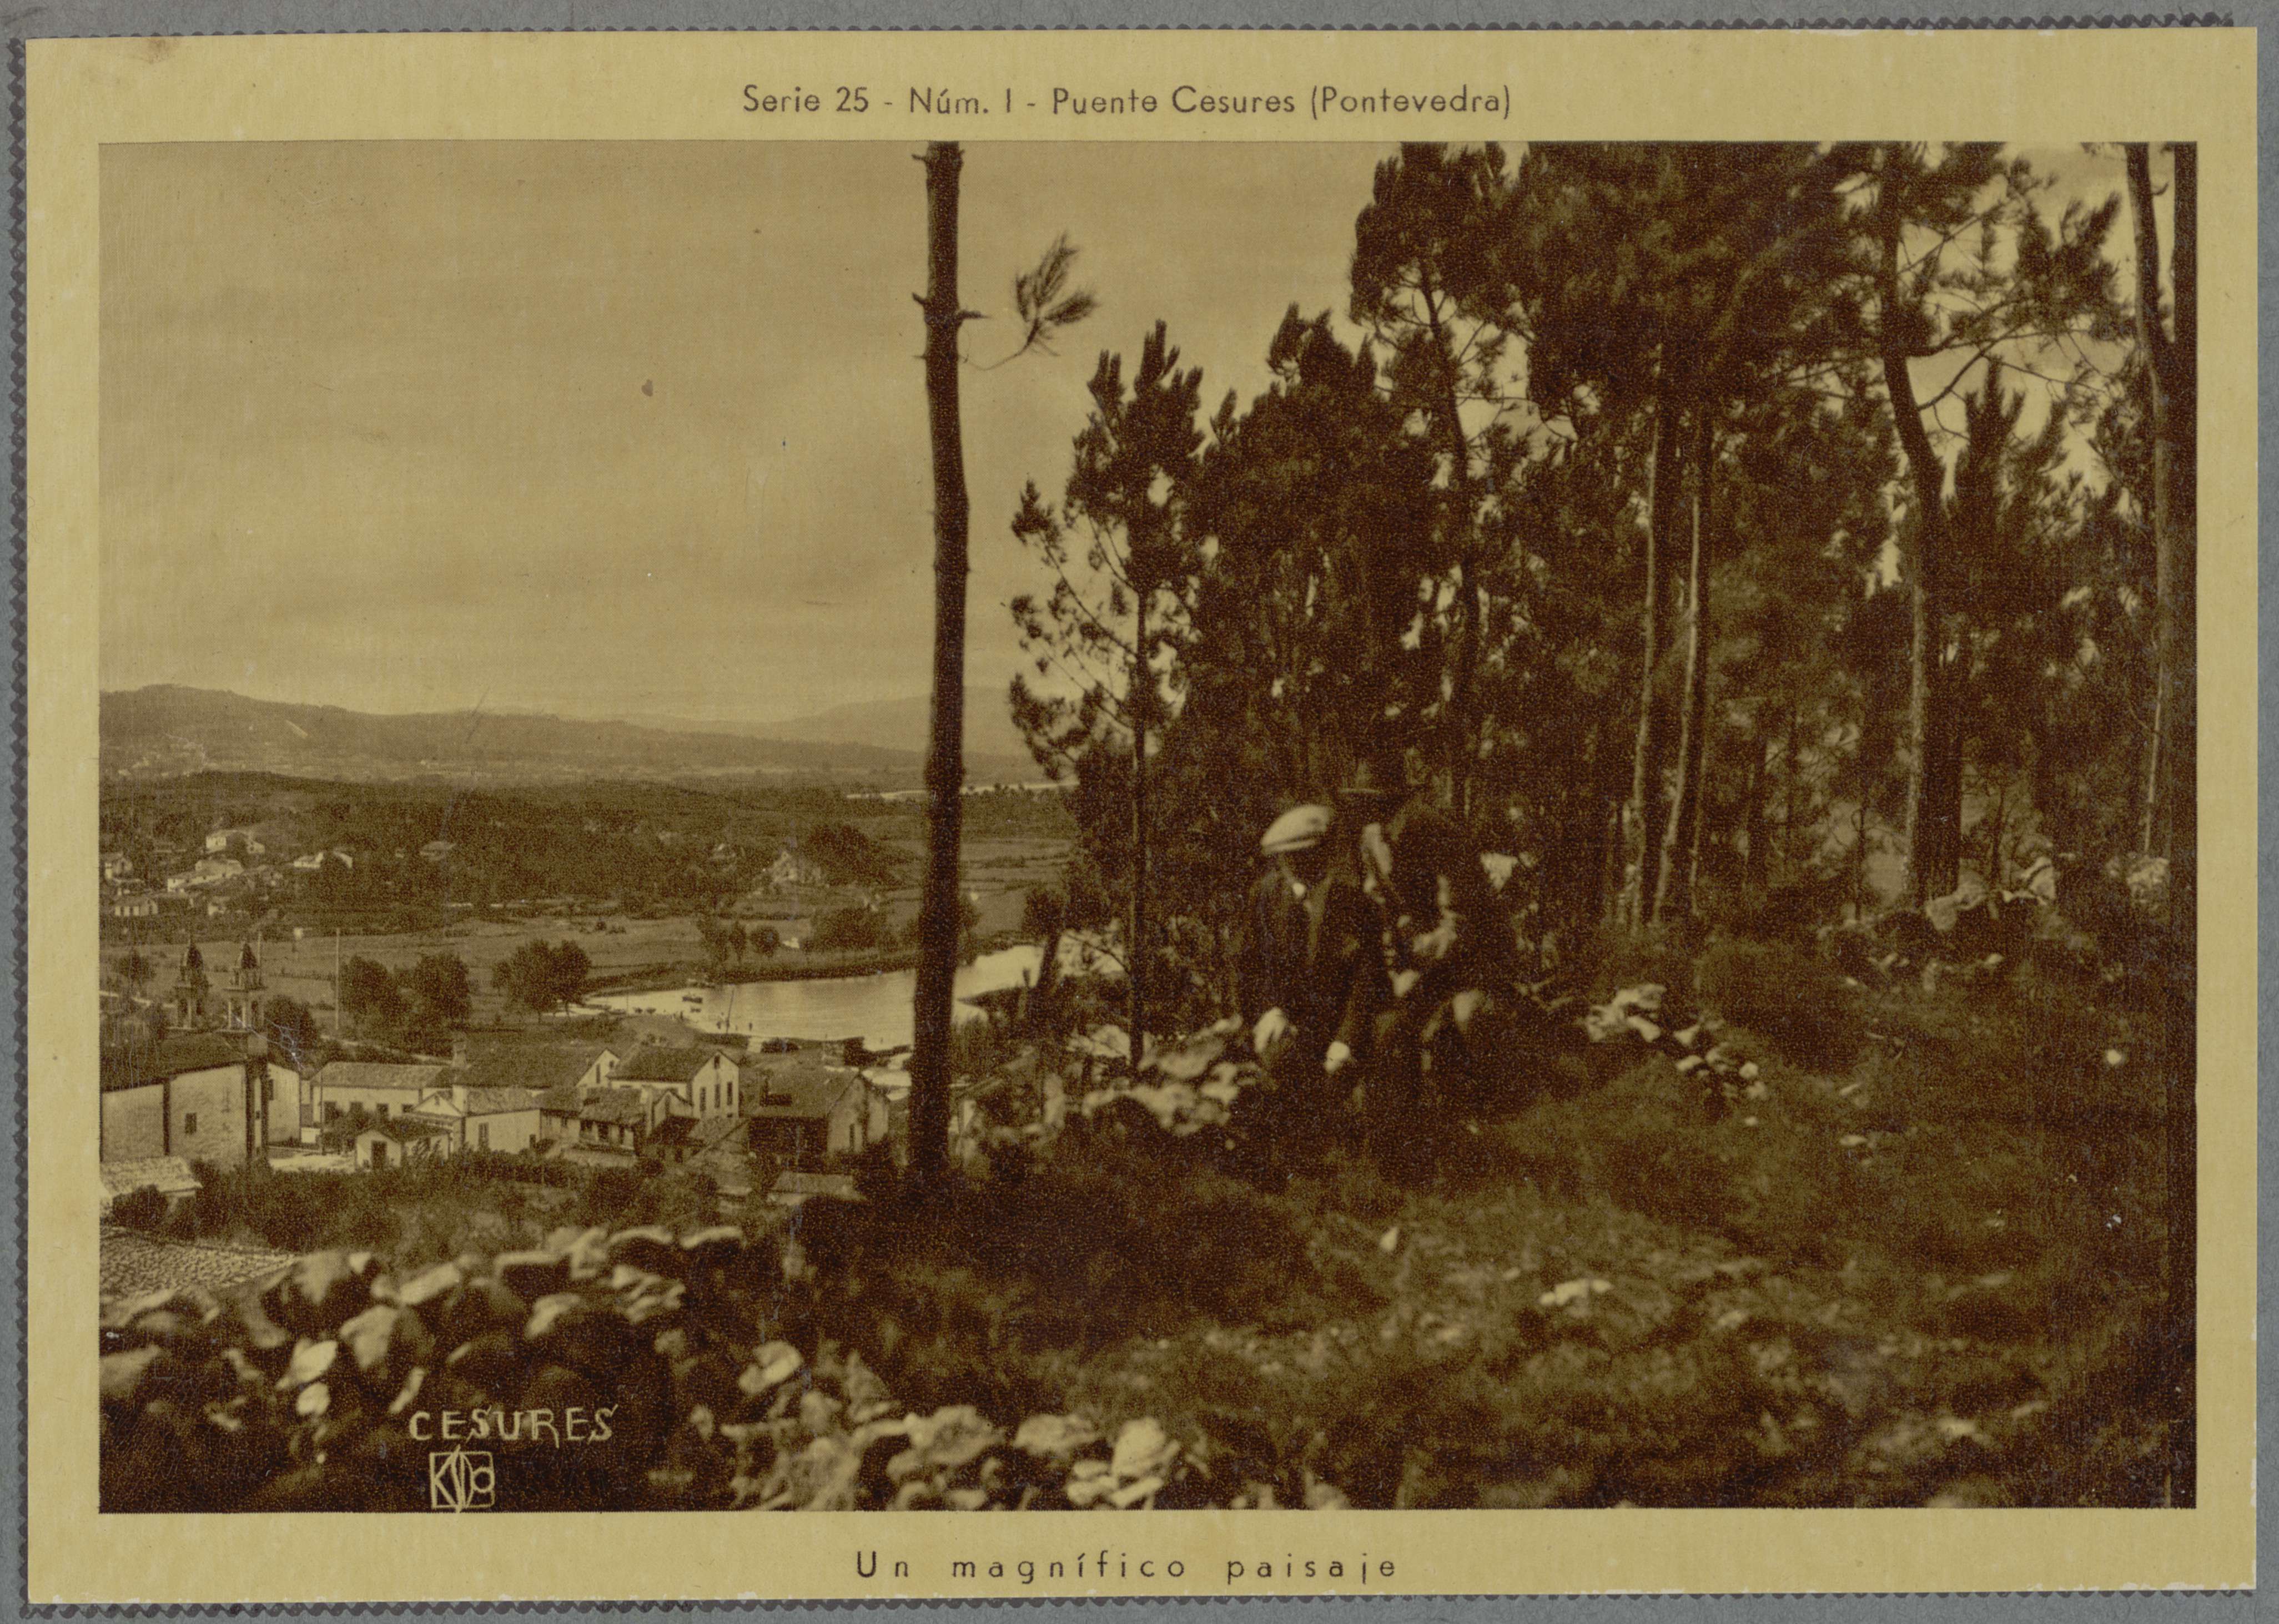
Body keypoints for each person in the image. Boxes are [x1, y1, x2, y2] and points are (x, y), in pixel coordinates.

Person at [1339, 754, 1517, 1179]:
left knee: (1468, 1016)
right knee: (1379, 1023)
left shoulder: (1435, 833)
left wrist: (1416, 963)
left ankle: (1495, 1105)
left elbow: (1460, 923)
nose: (1373, 812)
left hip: (1474, 956)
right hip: (1417, 957)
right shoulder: (1370, 841)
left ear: (1396, 801)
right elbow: (1379, 906)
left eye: (1380, 803)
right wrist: (1390, 959)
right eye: (1366, 803)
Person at [1238, 802, 1382, 1161]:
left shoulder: (1353, 904)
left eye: (1304, 858)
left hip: (1338, 1025)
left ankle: (1345, 1146)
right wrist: (1266, 1011)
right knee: (1270, 1072)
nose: (1295, 868)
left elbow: (1365, 982)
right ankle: (1290, 1154)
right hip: (1286, 1020)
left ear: (1324, 856)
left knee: (1340, 1080)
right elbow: (1248, 966)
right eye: (1286, 860)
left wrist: (1345, 1041)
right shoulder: (1266, 896)